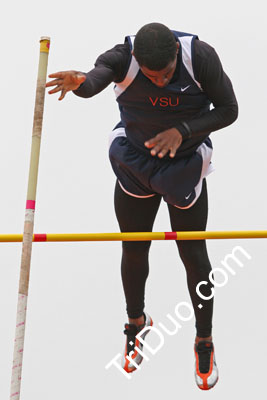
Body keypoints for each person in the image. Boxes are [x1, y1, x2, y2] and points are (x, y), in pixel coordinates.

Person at [46, 22, 238, 390]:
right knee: (134, 248)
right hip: (135, 162)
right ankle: (137, 322)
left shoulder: (200, 57)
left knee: (193, 254)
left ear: (175, 58)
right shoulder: (122, 58)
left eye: (167, 73)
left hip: (183, 166)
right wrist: (80, 84)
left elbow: (229, 110)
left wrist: (182, 130)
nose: (162, 81)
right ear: (136, 60)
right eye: (154, 76)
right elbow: (94, 80)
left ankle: (204, 340)